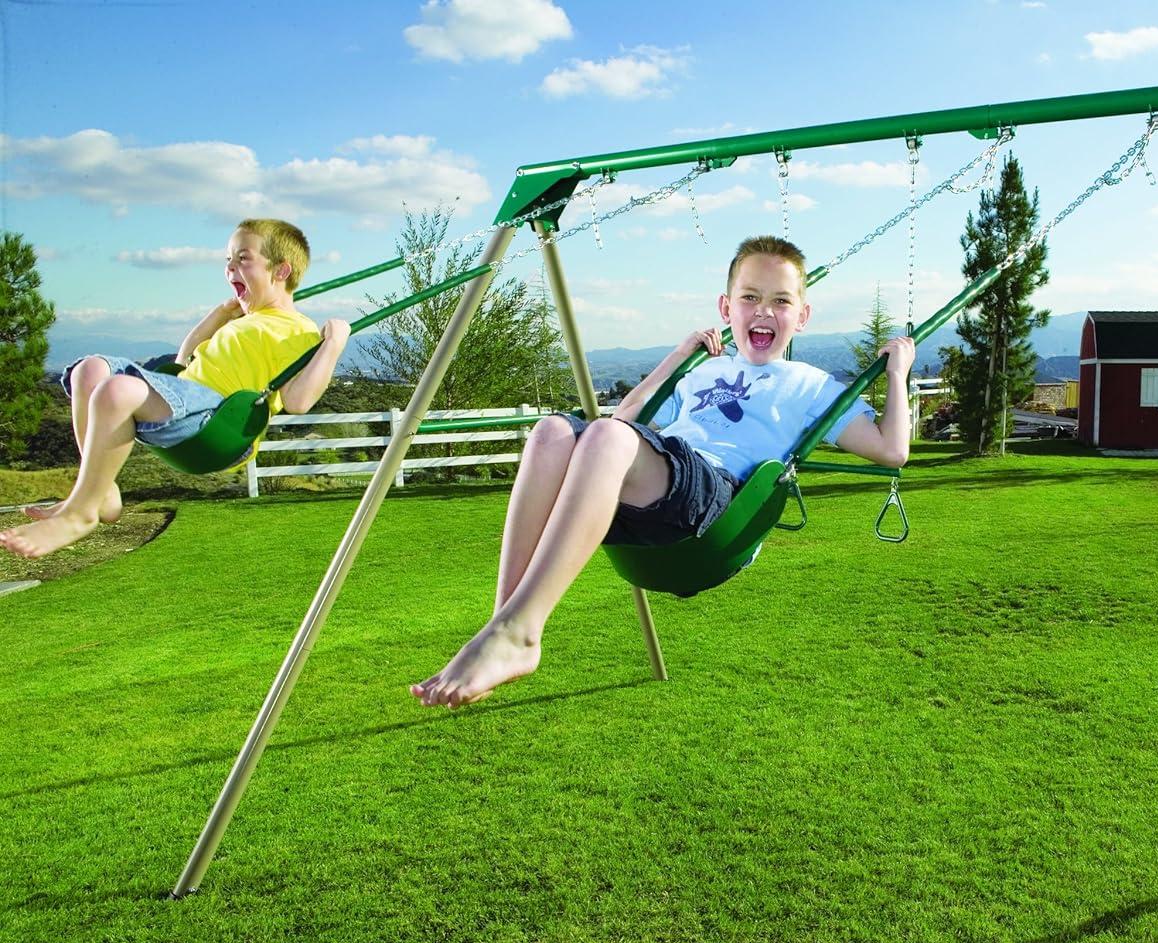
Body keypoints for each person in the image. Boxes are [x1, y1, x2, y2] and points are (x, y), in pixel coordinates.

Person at [411, 234, 915, 709]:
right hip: (651, 484)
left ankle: (520, 632)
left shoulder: (811, 385)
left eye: (781, 301)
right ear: (726, 309)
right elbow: (628, 417)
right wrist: (678, 357)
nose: (764, 311)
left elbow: (891, 450)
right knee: (550, 434)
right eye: (750, 297)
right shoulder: (702, 368)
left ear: (801, 316)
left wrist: (896, 374)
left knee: (606, 437)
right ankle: (504, 623)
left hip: (717, 502)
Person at [0, 219, 351, 559]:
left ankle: (80, 515)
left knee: (117, 391)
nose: (230, 269)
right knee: (89, 371)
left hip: (219, 422)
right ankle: (100, 492)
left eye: (243, 259)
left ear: (281, 271)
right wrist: (218, 315)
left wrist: (332, 344)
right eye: (227, 260)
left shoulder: (297, 330)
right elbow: (184, 358)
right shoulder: (244, 322)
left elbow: (299, 400)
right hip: (182, 398)